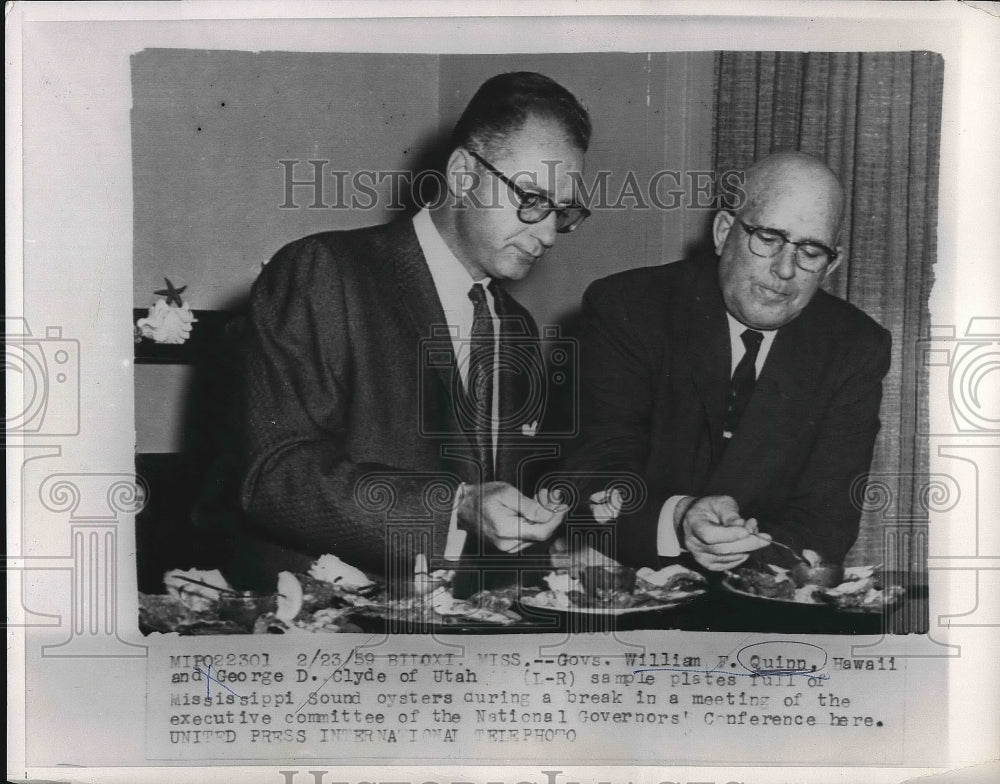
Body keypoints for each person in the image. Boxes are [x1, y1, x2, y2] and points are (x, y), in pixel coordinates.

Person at [232, 72, 591, 591]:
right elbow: (275, 476)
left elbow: (497, 507)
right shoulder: (323, 271)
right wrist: (457, 507)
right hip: (333, 621)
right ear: (465, 173)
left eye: (564, 211)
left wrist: (550, 561)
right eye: (531, 198)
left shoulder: (516, 327)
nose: (549, 232)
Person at [568, 152, 891, 572]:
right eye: (769, 238)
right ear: (724, 232)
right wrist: (682, 518)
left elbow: (826, 525)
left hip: (761, 603)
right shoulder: (629, 308)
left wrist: (734, 552)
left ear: (832, 265)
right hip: (623, 583)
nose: (785, 269)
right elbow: (594, 474)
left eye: (810, 250)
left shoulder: (854, 347)